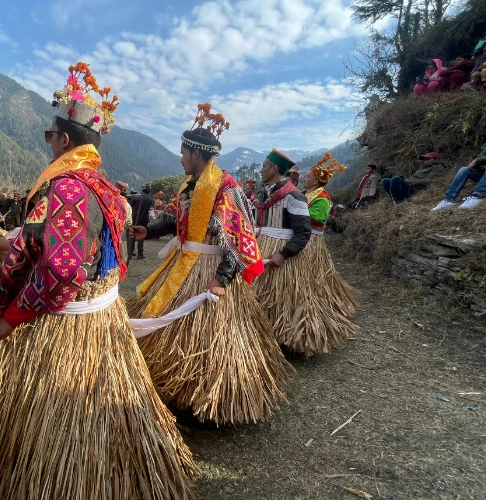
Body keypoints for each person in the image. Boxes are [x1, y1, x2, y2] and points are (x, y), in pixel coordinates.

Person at [0, 62, 195, 499]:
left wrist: (9, 313)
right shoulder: (103, 184)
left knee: (49, 422)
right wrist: (26, 240)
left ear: (63, 139)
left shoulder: (65, 185)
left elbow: (63, 270)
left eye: (50, 135)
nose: (49, 144)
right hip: (102, 317)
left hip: (70, 322)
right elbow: (85, 248)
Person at [128, 104, 290, 424]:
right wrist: (151, 230)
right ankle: (172, 386)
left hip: (210, 272)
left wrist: (222, 279)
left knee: (207, 338)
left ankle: (205, 398)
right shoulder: (189, 186)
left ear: (197, 156)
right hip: (183, 262)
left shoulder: (224, 187)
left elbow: (236, 236)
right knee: (170, 326)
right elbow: (175, 218)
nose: (180, 158)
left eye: (183, 153)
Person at [292, 153, 359, 355]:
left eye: (309, 176)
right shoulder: (306, 193)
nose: (306, 177)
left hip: (311, 241)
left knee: (311, 277)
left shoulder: (321, 197)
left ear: (317, 180)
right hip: (302, 238)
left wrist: (296, 213)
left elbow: (319, 217)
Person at [253, 148, 318, 351]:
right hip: (260, 248)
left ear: (274, 168)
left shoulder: (294, 196)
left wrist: (283, 253)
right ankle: (257, 335)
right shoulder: (264, 194)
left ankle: (282, 338)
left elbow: (303, 233)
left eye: (264, 166)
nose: (261, 170)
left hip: (279, 252)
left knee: (280, 299)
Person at [432, 120, 486, 210]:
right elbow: (480, 158)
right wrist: (478, 161)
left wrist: (482, 160)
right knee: (465, 170)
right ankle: (449, 200)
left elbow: (480, 160)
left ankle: (478, 196)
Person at [381, 152, 446, 204]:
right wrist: (407, 179)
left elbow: (430, 181)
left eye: (428, 159)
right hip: (411, 185)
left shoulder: (438, 168)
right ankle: (395, 199)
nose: (425, 161)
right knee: (385, 181)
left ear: (436, 159)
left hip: (417, 189)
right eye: (424, 159)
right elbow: (414, 178)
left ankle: (399, 202)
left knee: (395, 179)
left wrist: (410, 181)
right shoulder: (422, 168)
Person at [128, 184, 154, 259]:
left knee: (132, 235)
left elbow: (131, 206)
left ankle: (130, 252)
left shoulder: (136, 197)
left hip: (134, 219)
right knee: (141, 236)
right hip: (144, 219)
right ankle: (140, 253)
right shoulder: (150, 200)